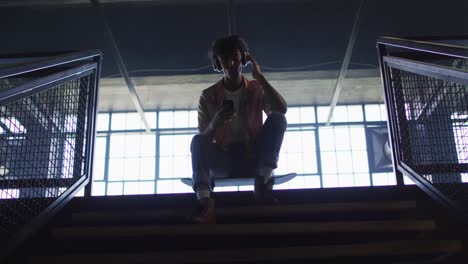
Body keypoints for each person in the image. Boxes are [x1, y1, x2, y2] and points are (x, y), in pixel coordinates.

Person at [190, 35, 288, 224]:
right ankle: (205, 204)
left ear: (244, 59)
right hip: (224, 160)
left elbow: (280, 109)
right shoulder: (208, 96)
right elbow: (202, 140)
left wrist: (260, 78)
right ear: (217, 63)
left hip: (254, 156)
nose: (232, 64)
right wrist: (215, 122)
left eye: (236, 57)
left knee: (278, 119)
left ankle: (262, 183)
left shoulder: (256, 88)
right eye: (225, 59)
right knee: (197, 141)